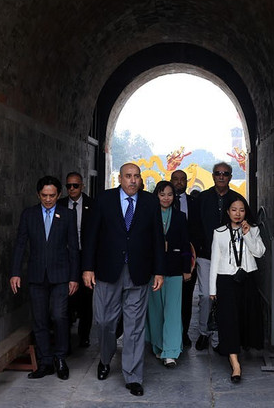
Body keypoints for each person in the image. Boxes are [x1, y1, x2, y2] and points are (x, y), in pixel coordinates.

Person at [82, 163, 165, 396]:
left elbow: (158, 238)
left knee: (135, 327)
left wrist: (159, 271)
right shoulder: (104, 200)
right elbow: (91, 236)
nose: (132, 181)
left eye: (136, 177)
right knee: (104, 321)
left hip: (138, 272)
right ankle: (105, 358)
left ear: (140, 179)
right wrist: (87, 268)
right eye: (128, 176)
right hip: (107, 271)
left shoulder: (149, 202)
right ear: (119, 178)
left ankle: (133, 376)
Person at [10, 176, 79, 380]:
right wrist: (15, 272)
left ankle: (60, 358)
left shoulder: (67, 214)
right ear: (38, 194)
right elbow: (20, 244)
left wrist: (74, 277)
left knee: (59, 316)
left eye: (52, 195)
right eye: (44, 196)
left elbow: (74, 248)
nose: (48, 200)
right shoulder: (29, 214)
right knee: (39, 320)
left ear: (59, 194)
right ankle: (45, 362)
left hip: (61, 275)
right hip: (36, 275)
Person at [209, 195, 266, 383]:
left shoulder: (254, 230)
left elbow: (259, 252)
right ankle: (235, 364)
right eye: (234, 209)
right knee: (229, 321)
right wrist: (212, 289)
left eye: (241, 210)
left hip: (247, 278)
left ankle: (241, 347)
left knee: (245, 317)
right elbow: (215, 261)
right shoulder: (219, 232)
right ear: (228, 211)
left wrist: (248, 234)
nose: (237, 213)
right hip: (226, 280)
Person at [192, 162, 242, 351]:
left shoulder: (237, 198)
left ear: (230, 176)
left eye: (225, 173)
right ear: (213, 176)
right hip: (206, 255)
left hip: (229, 259)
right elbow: (194, 225)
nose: (222, 176)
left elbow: (246, 223)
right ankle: (204, 332)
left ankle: (222, 336)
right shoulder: (203, 198)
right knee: (206, 296)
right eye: (218, 173)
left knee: (225, 297)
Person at [146, 180, 192, 368]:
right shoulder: (148, 215)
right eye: (162, 194)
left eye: (170, 194)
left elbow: (185, 244)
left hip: (174, 269)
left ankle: (171, 351)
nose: (166, 198)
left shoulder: (180, 217)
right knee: (155, 310)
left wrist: (186, 269)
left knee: (173, 310)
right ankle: (158, 346)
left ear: (174, 197)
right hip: (152, 269)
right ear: (156, 195)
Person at [57, 171, 96, 348]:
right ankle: (65, 336)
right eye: (69, 186)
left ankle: (84, 335)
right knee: (67, 296)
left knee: (86, 298)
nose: (72, 189)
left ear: (82, 186)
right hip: (64, 257)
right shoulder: (59, 205)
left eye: (75, 185)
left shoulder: (92, 205)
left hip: (84, 255)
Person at [170, 168, 199, 348]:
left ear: (187, 182)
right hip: (168, 259)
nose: (179, 182)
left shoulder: (195, 203)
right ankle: (169, 334)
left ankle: (184, 333)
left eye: (182, 179)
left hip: (189, 257)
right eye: (176, 179)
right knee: (169, 299)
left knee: (186, 298)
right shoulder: (163, 202)